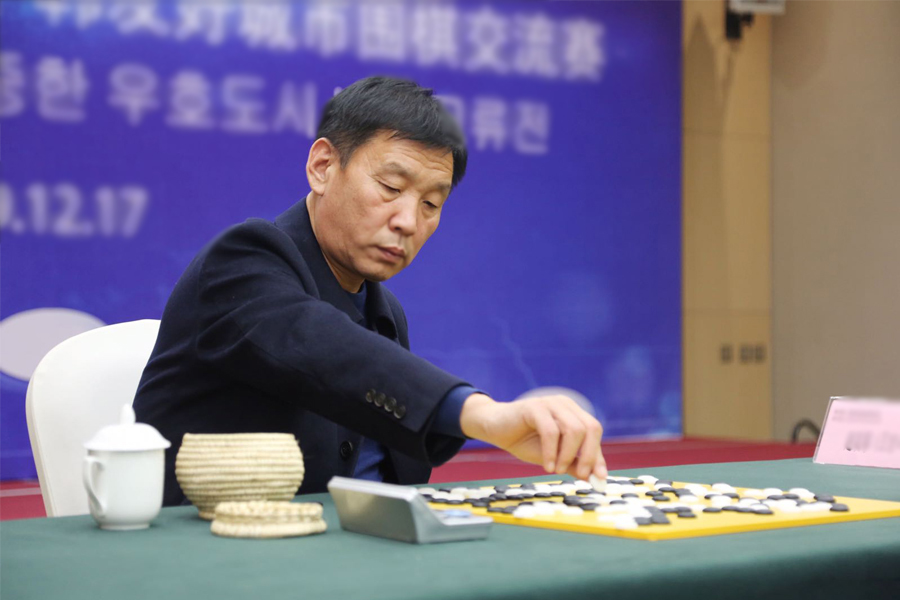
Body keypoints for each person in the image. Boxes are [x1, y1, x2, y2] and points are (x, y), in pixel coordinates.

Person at [134, 76, 607, 506]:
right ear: (322, 166)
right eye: (390, 187)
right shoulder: (242, 261)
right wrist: (481, 414)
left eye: (431, 203)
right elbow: (322, 347)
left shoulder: (386, 312)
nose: (408, 221)